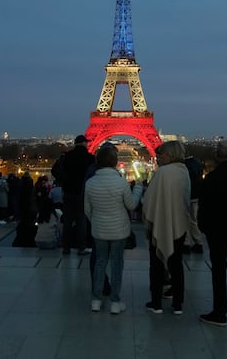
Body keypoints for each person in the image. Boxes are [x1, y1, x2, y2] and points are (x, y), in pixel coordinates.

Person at [84, 146, 142, 314]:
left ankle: (96, 299)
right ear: (115, 162)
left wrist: (96, 221)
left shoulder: (90, 183)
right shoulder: (121, 182)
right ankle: (115, 302)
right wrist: (137, 189)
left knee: (100, 263)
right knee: (117, 264)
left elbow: (87, 209)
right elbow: (131, 205)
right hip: (119, 231)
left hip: (99, 229)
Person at [143, 140, 190, 315]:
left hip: (160, 223)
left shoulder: (163, 173)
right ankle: (178, 304)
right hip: (179, 223)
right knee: (177, 264)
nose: (159, 158)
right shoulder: (184, 172)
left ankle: (156, 303)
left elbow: (149, 200)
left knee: (156, 265)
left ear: (169, 155)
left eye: (161, 155)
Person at [197, 140, 227, 326]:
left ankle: (220, 312)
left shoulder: (212, 178)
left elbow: (203, 208)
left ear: (218, 155)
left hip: (217, 231)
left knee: (218, 272)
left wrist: (205, 228)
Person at [53, 134, 95, 255]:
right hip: (82, 192)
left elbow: (55, 171)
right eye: (86, 143)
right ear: (83, 144)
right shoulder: (90, 158)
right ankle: (81, 247)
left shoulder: (67, 157)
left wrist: (64, 181)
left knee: (68, 220)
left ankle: (66, 247)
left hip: (68, 191)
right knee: (81, 220)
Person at [183, 153, 204, 254]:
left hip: (187, 196)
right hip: (196, 196)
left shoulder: (183, 165)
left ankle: (186, 243)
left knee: (184, 220)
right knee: (193, 220)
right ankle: (198, 242)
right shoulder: (198, 163)